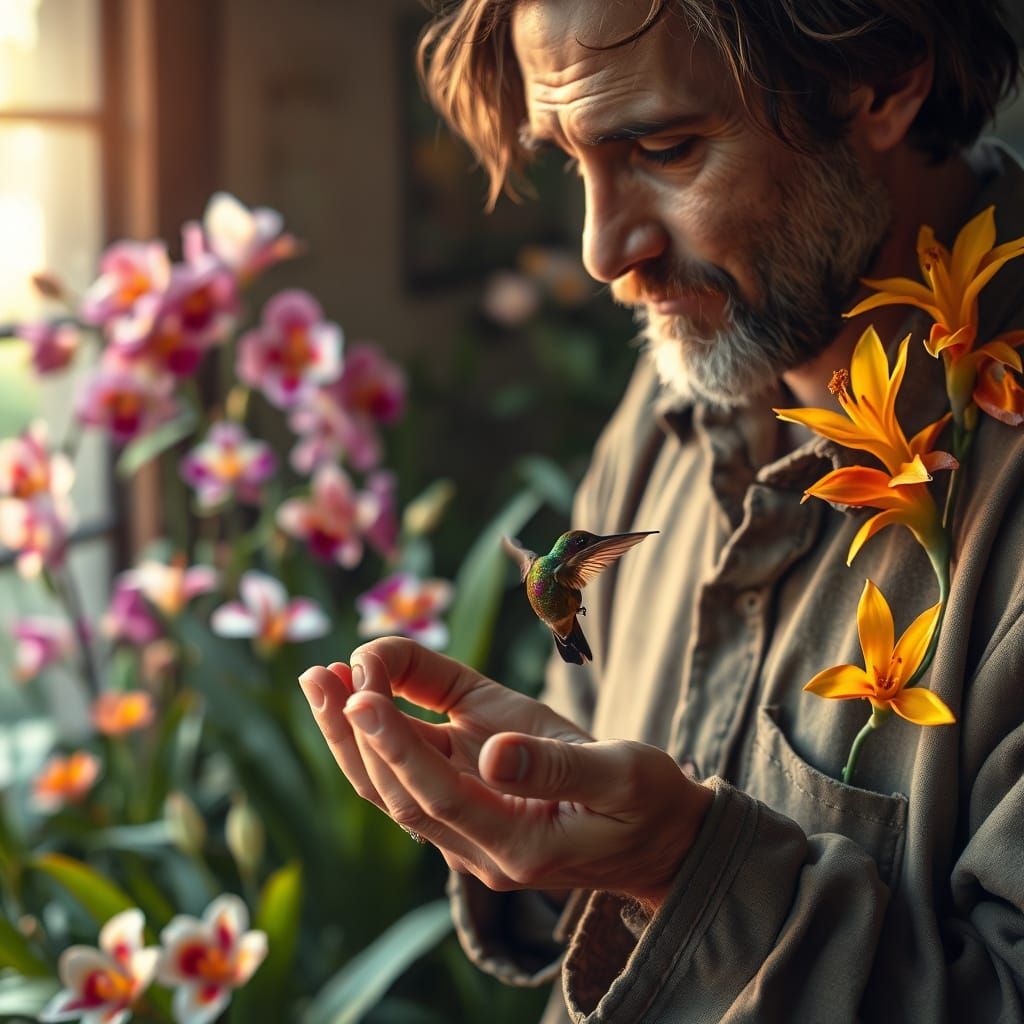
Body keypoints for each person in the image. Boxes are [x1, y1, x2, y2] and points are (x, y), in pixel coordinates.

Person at [298, 1, 1024, 1020]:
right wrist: (559, 834)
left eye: (664, 147)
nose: (602, 250)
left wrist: (691, 872)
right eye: (568, 160)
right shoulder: (693, 374)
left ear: (885, 81)